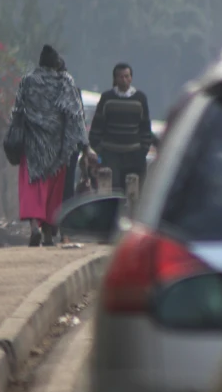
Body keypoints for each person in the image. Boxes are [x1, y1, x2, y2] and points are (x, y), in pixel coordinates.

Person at [14, 45, 94, 247]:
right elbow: (76, 116)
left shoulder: (27, 81)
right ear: (57, 63)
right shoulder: (65, 82)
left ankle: (34, 227)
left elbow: (17, 111)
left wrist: (15, 136)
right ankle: (49, 233)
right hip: (58, 148)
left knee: (34, 187)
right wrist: (85, 146)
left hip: (33, 146)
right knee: (54, 190)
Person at [89, 62, 152, 191]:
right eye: (121, 77)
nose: (124, 80)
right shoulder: (107, 98)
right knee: (111, 192)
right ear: (115, 79)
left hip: (134, 156)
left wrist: (143, 151)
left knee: (133, 193)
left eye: (127, 76)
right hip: (111, 156)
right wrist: (101, 151)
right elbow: (96, 128)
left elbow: (145, 128)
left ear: (131, 78)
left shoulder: (140, 99)